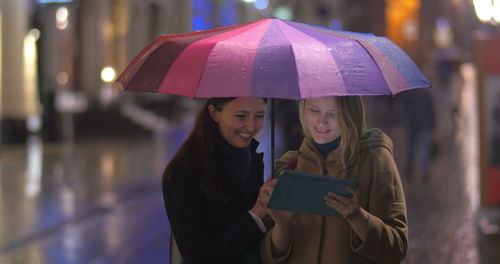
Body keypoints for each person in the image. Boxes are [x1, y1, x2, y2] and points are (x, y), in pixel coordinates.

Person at [260, 96, 408, 264]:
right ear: (303, 110)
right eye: (314, 110)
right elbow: (268, 256)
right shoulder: (288, 165)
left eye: (333, 114)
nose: (322, 122)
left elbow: (397, 249)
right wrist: (282, 226)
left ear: (350, 114)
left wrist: (358, 217)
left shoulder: (375, 159)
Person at [162, 97, 271, 263]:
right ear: (214, 113)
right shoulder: (185, 170)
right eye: (241, 116)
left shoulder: (252, 158)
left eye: (259, 116)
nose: (251, 126)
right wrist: (255, 216)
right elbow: (197, 256)